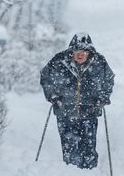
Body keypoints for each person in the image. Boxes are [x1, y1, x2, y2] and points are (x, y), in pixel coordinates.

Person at [40, 32, 115, 169]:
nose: (80, 55)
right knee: (69, 149)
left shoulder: (99, 62)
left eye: (84, 52)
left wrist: (103, 97)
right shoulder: (59, 61)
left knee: (88, 149)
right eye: (77, 51)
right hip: (65, 112)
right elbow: (45, 77)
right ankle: (71, 171)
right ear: (72, 51)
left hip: (90, 112)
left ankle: (89, 172)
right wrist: (53, 96)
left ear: (89, 52)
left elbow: (108, 80)